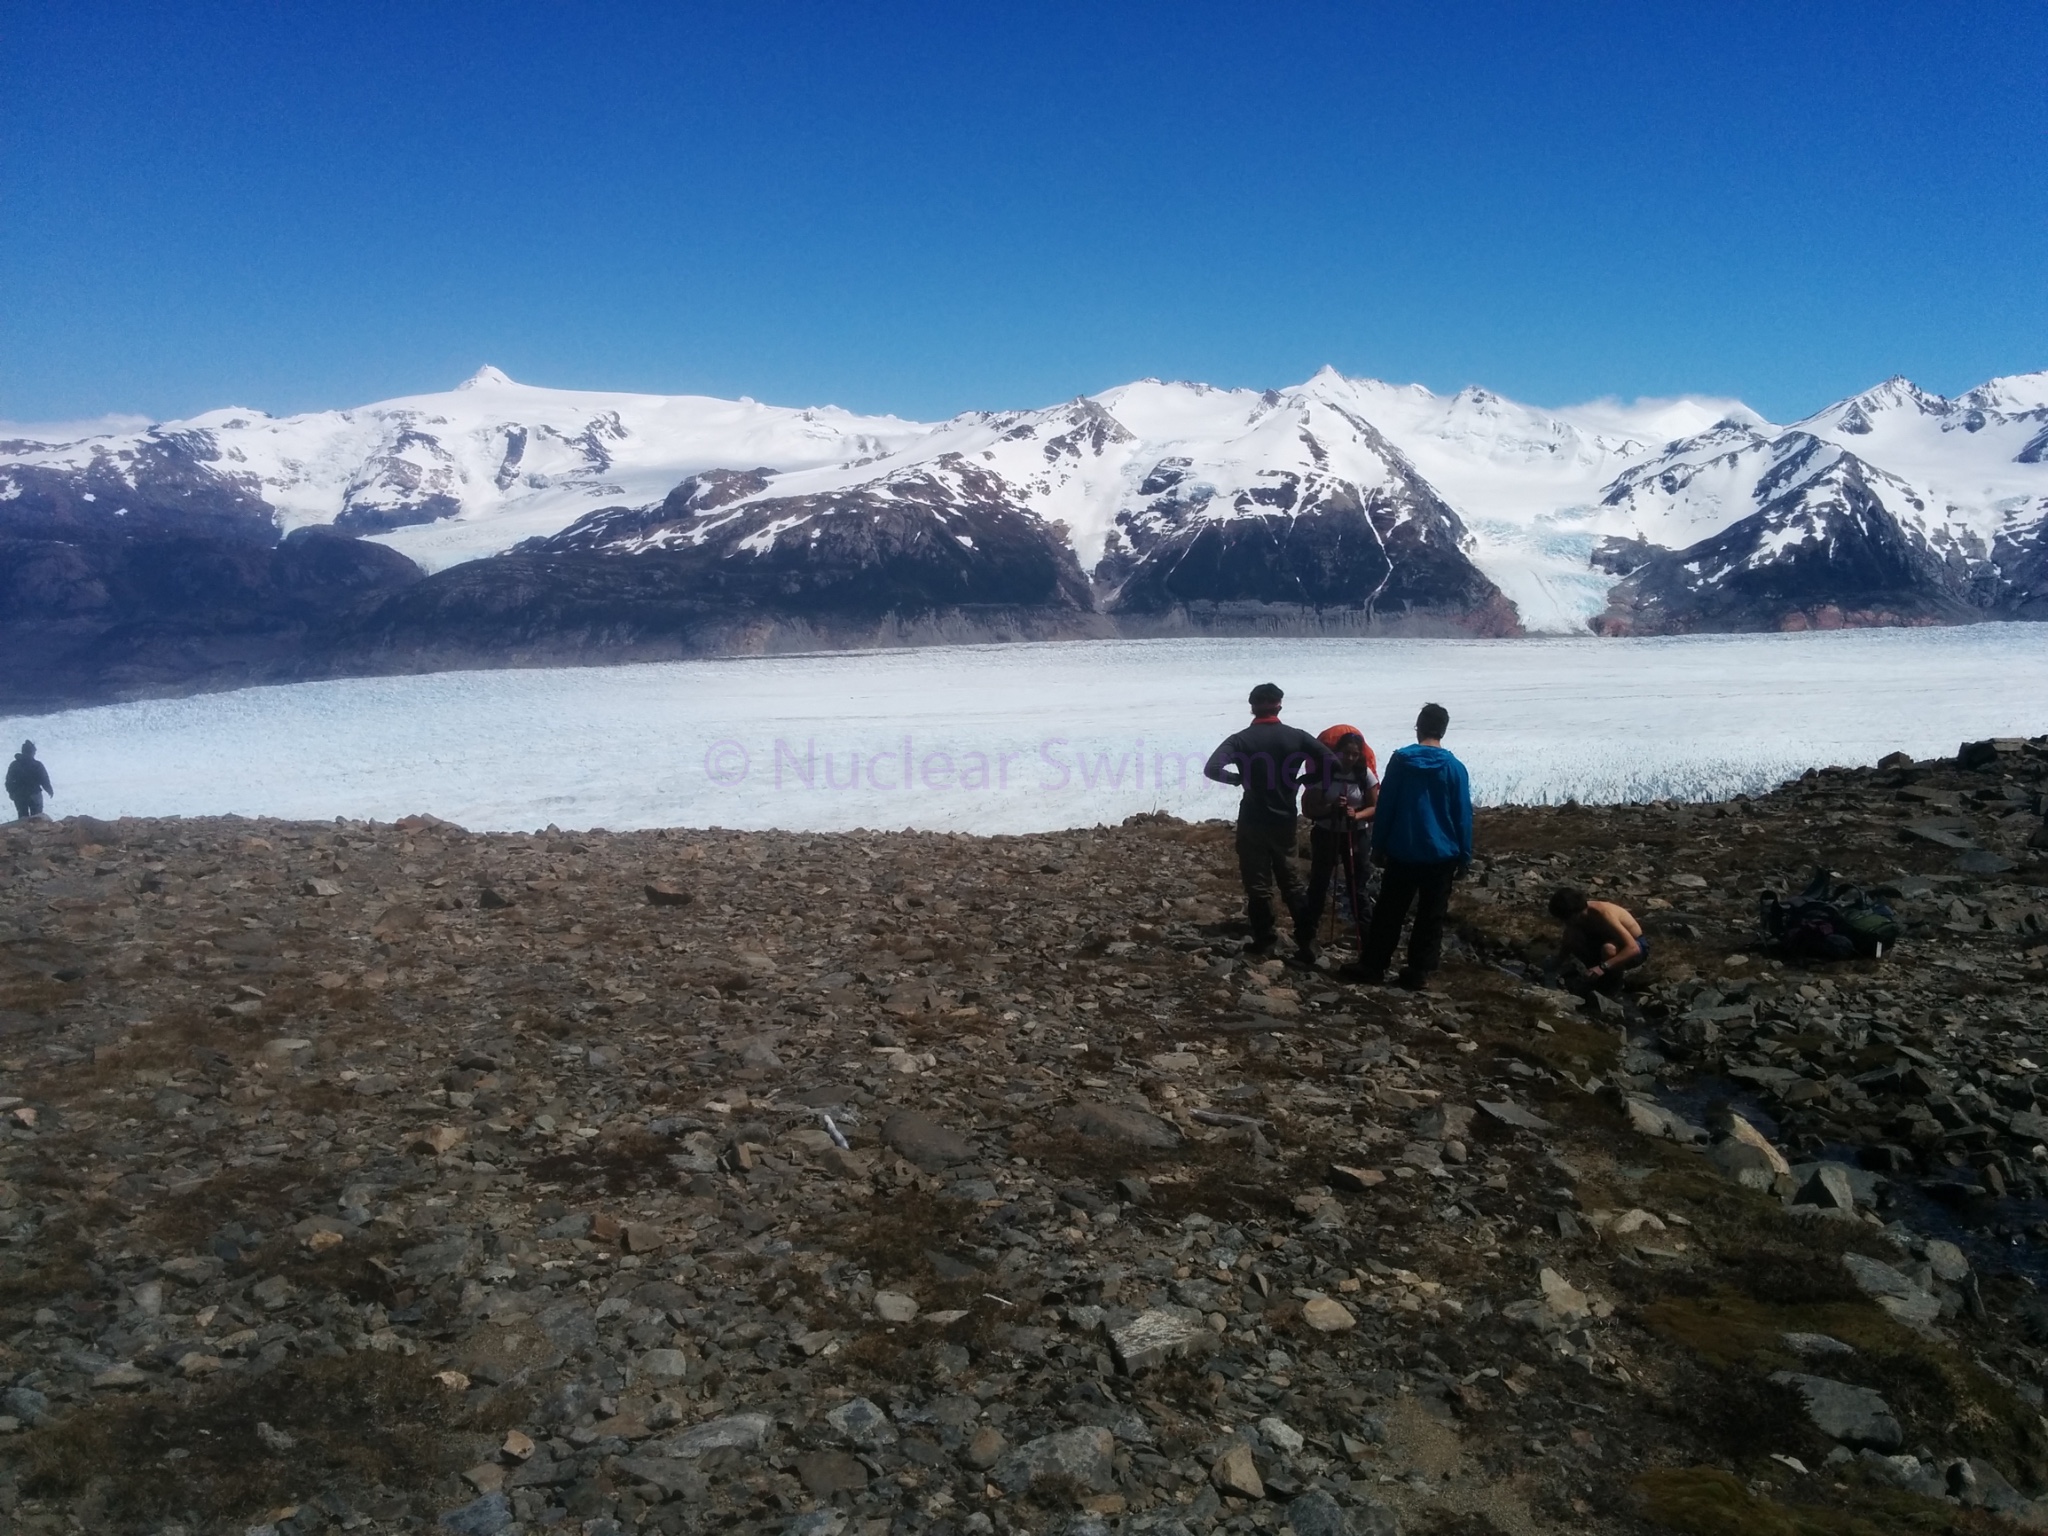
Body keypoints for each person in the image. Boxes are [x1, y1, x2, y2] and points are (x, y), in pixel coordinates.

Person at [1204, 683, 1339, 957]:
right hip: (1284, 819)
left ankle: (1265, 939)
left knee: (1258, 883)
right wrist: (1307, 780)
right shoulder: (1296, 737)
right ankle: (1307, 940)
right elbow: (1333, 763)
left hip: (1253, 818)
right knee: (1290, 881)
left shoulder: (1240, 740)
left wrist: (1237, 779)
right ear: (1279, 705)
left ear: (1252, 707)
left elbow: (1212, 768)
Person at [1355, 703, 1472, 989]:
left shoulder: (1400, 762)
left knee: (1389, 912)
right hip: (1441, 854)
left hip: (1402, 849)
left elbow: (1387, 806)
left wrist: (1378, 845)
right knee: (1431, 915)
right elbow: (1462, 816)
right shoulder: (1455, 768)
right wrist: (1465, 856)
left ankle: (1374, 965)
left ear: (1418, 726)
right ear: (1443, 730)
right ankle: (1418, 972)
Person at [1297, 725, 1378, 965]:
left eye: (1355, 754)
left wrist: (1355, 815)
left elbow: (1376, 808)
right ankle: (1308, 940)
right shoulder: (1325, 773)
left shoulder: (1365, 775)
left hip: (1349, 833)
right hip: (1331, 832)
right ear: (1337, 753)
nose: (1351, 758)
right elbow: (1309, 809)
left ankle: (1367, 944)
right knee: (1319, 886)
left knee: (1357, 890)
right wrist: (1332, 810)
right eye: (1346, 753)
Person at [1548, 887, 1647, 994]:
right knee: (1572, 936)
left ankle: (1613, 986)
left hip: (1636, 947)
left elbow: (1633, 948)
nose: (1564, 922)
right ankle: (1595, 977)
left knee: (1608, 949)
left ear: (1575, 914)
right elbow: (1568, 941)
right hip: (1603, 942)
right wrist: (1557, 963)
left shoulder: (1603, 913)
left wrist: (1603, 967)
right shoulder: (1577, 917)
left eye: (1565, 919)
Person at [6, 741, 52, 821]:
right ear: (32, 752)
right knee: (37, 818)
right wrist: (49, 790)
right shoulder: (37, 765)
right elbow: (44, 779)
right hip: (34, 794)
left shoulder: (14, 765)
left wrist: (12, 793)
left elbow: (9, 781)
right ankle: (36, 832)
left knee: (22, 819)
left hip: (19, 796)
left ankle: (23, 832)